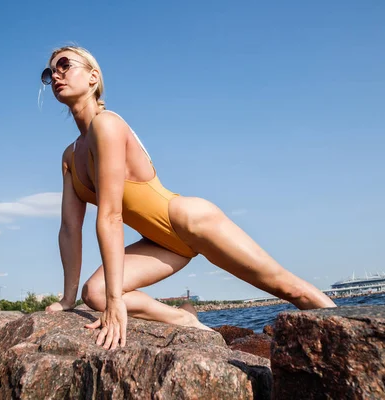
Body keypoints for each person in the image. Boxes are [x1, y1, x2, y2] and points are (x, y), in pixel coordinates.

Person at [43, 46, 336, 350]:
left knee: (288, 288)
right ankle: (184, 318)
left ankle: (356, 336)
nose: (56, 75)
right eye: (49, 72)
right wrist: (68, 299)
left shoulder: (108, 124)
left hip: (190, 221)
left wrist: (117, 303)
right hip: (160, 244)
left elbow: (112, 215)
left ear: (93, 77)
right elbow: (69, 229)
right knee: (95, 294)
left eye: (64, 65)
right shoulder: (70, 156)